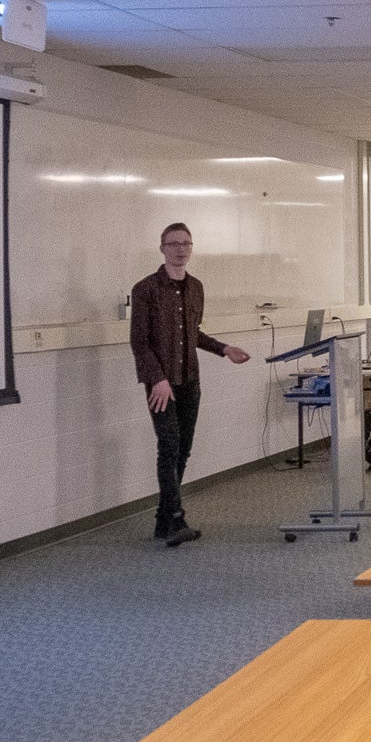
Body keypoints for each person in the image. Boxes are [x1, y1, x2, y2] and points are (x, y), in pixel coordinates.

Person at [128, 222, 248, 547]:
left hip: (189, 381)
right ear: (162, 248)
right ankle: (176, 518)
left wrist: (224, 349)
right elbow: (140, 342)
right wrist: (158, 379)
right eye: (173, 243)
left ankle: (164, 520)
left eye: (185, 243)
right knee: (168, 447)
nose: (180, 249)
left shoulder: (196, 287)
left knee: (183, 449)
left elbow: (193, 334)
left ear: (191, 248)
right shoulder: (145, 289)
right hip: (161, 385)